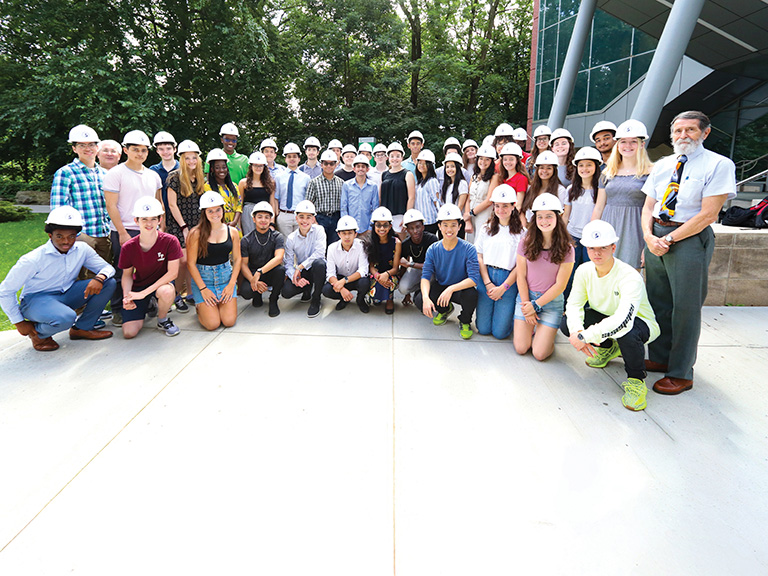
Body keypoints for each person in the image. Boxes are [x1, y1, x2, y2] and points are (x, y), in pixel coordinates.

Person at [641, 110, 736, 395]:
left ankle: (681, 372)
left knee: (685, 308)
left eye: (690, 130)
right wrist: (648, 236)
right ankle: (660, 356)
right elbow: (648, 206)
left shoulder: (718, 165)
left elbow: (708, 215)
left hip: (688, 239)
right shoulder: (662, 165)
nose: (683, 136)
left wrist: (668, 239)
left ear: (705, 133)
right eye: (678, 131)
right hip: (656, 234)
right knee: (658, 301)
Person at [562, 220, 660, 411]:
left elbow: (624, 320)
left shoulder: (630, 276)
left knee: (627, 334)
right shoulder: (584, 270)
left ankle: (636, 381)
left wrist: (585, 336)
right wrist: (576, 331)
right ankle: (608, 348)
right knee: (567, 324)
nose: (596, 253)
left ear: (613, 247)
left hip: (639, 323)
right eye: (591, 248)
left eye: (603, 248)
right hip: (607, 316)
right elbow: (574, 304)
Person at [0, 206, 116, 351]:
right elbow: (5, 290)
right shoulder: (32, 259)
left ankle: (82, 329)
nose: (66, 241)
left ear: (77, 235)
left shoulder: (82, 249)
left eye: (71, 236)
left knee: (108, 283)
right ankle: (38, 335)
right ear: (50, 235)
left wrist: (100, 278)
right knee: (66, 317)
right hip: (36, 300)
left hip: (66, 293)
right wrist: (18, 322)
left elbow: (108, 268)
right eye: (60, 236)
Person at [103, 130, 162, 327]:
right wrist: (121, 232)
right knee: (123, 271)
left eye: (144, 150)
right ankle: (118, 309)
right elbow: (111, 205)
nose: (140, 153)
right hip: (126, 229)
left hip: (150, 228)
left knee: (152, 269)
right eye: (135, 149)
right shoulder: (115, 174)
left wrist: (159, 229)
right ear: (126, 149)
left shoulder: (153, 176)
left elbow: (158, 204)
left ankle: (149, 301)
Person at [513, 193, 574, 361]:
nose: (544, 221)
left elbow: (560, 286)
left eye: (549, 216)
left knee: (539, 354)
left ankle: (547, 334)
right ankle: (539, 330)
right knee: (521, 348)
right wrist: (527, 306)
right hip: (526, 299)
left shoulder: (567, 249)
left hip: (551, 304)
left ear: (558, 217)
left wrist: (536, 306)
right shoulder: (525, 242)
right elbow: (521, 276)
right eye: (540, 216)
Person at [50, 124, 112, 275]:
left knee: (103, 277)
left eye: (91, 144)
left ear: (97, 147)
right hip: (83, 234)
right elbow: (58, 208)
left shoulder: (105, 174)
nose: (88, 148)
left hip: (105, 233)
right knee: (81, 278)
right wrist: (74, 235)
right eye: (82, 145)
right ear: (74, 149)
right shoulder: (65, 173)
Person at [593, 119, 653, 270]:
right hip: (609, 227)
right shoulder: (607, 172)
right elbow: (599, 207)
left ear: (642, 144)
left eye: (633, 141)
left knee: (631, 275)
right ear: (617, 145)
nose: (628, 146)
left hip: (635, 231)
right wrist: (593, 236)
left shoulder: (651, 172)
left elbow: (652, 210)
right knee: (605, 273)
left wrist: (648, 243)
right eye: (623, 142)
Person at [119, 197, 182, 338]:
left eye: (154, 219)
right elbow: (127, 275)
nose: (149, 223)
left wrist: (144, 293)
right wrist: (127, 296)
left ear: (160, 220)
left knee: (166, 291)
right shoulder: (128, 247)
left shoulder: (170, 241)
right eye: (144, 219)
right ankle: (150, 304)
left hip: (161, 285)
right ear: (136, 221)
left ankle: (162, 319)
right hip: (139, 286)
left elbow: (173, 273)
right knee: (129, 333)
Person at [421, 203, 481, 339]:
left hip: (461, 288)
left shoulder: (469, 249)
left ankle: (465, 321)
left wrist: (451, 289)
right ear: (439, 226)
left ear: (460, 226)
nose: (449, 229)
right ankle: (445, 309)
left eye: (453, 225)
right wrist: (425, 298)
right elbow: (425, 276)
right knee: (430, 292)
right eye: (445, 225)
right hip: (442, 286)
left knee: (471, 295)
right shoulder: (433, 249)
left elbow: (473, 279)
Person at [475, 185, 524, 340]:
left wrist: (504, 287)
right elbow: (479, 256)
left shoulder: (522, 233)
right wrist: (488, 283)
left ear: (513, 206)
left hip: (508, 279)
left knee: (500, 333)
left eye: (505, 206)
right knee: (482, 329)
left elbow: (520, 266)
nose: (501, 210)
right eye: (497, 206)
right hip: (486, 276)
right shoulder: (486, 228)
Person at [186, 191, 241, 330]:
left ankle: (214, 306)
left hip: (225, 278)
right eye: (210, 211)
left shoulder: (232, 231)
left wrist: (231, 284)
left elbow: (237, 259)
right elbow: (191, 264)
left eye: (218, 210)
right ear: (204, 212)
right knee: (212, 324)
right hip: (204, 279)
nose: (215, 214)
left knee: (228, 321)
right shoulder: (196, 233)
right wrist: (203, 289)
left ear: (223, 209)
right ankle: (201, 307)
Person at [166, 140, 205, 313]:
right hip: (179, 225)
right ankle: (175, 294)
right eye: (187, 158)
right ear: (181, 159)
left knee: (192, 261)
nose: (191, 161)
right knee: (182, 262)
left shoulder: (199, 177)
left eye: (194, 158)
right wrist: (183, 227)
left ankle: (190, 293)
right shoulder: (174, 177)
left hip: (196, 224)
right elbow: (172, 205)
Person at [563, 146, 601, 300]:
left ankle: (588, 306)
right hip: (573, 237)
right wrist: (564, 237)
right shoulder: (571, 189)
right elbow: (566, 215)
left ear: (596, 167)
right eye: (581, 165)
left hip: (592, 240)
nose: (584, 169)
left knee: (590, 274)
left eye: (589, 165)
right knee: (570, 274)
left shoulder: (600, 190)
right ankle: (566, 306)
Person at [281, 200, 327, 318]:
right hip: (304, 272)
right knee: (286, 292)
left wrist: (300, 266)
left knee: (320, 263)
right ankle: (306, 288)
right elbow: (288, 263)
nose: (304, 221)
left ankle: (316, 298)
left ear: (313, 219)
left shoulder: (319, 230)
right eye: (301, 217)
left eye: (308, 217)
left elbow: (320, 253)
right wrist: (294, 277)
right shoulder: (291, 238)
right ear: (296, 218)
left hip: (317, 270)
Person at [239, 201, 285, 317]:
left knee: (281, 270)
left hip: (270, 273)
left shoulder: (277, 236)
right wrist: (253, 280)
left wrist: (260, 272)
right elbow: (243, 264)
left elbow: (279, 258)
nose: (263, 220)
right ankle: (256, 294)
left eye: (266, 217)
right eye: (259, 217)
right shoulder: (246, 240)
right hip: (253, 274)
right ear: (254, 219)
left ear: (271, 220)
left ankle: (273, 299)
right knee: (245, 292)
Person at [322, 215, 371, 313]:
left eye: (350, 233)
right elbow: (330, 274)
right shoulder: (332, 248)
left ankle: (360, 300)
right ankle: (344, 298)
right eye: (344, 233)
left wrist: (343, 281)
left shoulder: (361, 245)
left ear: (355, 234)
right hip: (340, 278)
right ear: (339, 234)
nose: (347, 236)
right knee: (326, 290)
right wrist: (341, 289)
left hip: (355, 278)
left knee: (365, 282)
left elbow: (363, 271)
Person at [396, 209, 438, 307]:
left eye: (418, 227)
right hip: (417, 269)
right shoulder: (405, 244)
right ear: (406, 230)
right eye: (411, 228)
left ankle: (427, 293)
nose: (415, 231)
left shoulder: (432, 239)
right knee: (403, 288)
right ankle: (420, 290)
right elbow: (403, 266)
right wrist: (407, 295)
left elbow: (434, 266)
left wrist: (410, 264)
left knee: (432, 279)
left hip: (432, 271)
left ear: (423, 227)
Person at [366, 206, 402, 314]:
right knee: (376, 296)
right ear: (374, 225)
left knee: (388, 282)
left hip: (390, 274)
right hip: (375, 274)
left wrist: (386, 274)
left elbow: (396, 268)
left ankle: (389, 299)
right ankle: (378, 296)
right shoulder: (370, 241)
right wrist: (378, 276)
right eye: (378, 225)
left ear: (390, 226)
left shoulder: (396, 243)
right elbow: (371, 266)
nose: (382, 228)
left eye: (385, 225)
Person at [307, 149, 345, 244]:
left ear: (336, 165)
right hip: (320, 218)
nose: (328, 166)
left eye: (331, 163)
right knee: (320, 246)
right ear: (321, 165)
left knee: (335, 246)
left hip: (336, 217)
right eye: (326, 163)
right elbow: (309, 203)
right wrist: (313, 221)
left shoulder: (341, 183)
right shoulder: (314, 182)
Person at [274, 143, 312, 236]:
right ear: (285, 159)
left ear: (299, 159)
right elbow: (276, 197)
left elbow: (308, 199)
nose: (292, 159)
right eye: (289, 156)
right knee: (285, 243)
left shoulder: (306, 178)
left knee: (300, 241)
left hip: (300, 215)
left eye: (294, 156)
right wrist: (277, 215)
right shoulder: (278, 177)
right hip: (284, 214)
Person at [520, 150, 565, 227]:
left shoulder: (560, 190)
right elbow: (523, 210)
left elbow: (561, 215)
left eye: (549, 168)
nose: (544, 171)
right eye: (541, 167)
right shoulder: (530, 189)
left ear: (554, 170)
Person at [238, 151, 277, 237]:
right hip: (248, 214)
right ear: (251, 166)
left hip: (265, 214)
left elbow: (272, 203)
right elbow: (239, 205)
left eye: (260, 165)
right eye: (255, 165)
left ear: (264, 167)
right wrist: (238, 224)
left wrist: (272, 223)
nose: (258, 168)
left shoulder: (271, 183)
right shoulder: (243, 183)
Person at [380, 142, 416, 234]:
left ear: (402, 158)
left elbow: (411, 197)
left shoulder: (407, 174)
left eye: (397, 156)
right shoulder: (384, 175)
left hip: (401, 216)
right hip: (386, 216)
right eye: (392, 156)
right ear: (388, 158)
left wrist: (407, 217)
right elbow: (380, 197)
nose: (395, 159)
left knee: (401, 243)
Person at [464, 144, 497, 242]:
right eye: (481, 158)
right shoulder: (474, 176)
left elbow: (489, 201)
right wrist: (467, 219)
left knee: (480, 242)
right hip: (471, 214)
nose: (483, 162)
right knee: (469, 243)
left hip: (484, 214)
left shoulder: (494, 177)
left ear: (492, 161)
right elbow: (468, 198)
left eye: (487, 159)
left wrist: (471, 213)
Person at [340, 153, 378, 237]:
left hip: (367, 228)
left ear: (367, 169)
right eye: (358, 166)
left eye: (363, 166)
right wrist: (347, 227)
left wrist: (370, 228)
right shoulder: (347, 185)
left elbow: (375, 208)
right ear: (354, 169)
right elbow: (344, 208)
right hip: (350, 229)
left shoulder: (373, 186)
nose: (360, 169)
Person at [204, 148, 242, 229]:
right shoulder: (207, 187)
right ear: (212, 169)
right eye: (217, 167)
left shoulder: (234, 186)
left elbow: (239, 205)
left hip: (235, 225)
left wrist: (234, 222)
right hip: (218, 226)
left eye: (224, 167)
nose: (221, 170)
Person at [439, 152, 469, 238]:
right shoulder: (447, 184)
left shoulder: (462, 183)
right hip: (446, 220)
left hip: (456, 220)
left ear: (458, 167)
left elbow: (460, 205)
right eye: (447, 167)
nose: (449, 169)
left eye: (452, 166)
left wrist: (452, 219)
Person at [149, 131, 179, 216]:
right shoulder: (152, 171)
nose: (165, 152)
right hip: (159, 215)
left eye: (168, 148)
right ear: (157, 151)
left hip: (180, 216)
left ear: (175, 149)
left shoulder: (182, 169)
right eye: (161, 149)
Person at [493, 142, 530, 209]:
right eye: (505, 159)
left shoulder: (521, 178)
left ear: (517, 161)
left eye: (511, 159)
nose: (508, 162)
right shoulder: (502, 177)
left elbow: (518, 205)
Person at [414, 149, 441, 234]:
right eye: (420, 163)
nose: (421, 165)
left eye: (425, 163)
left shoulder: (432, 181)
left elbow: (436, 202)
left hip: (430, 221)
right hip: (421, 221)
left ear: (430, 165)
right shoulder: (419, 182)